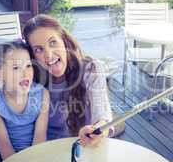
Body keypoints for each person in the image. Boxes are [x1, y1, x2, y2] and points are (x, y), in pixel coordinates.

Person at [23, 14, 113, 147]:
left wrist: (96, 131)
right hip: (45, 149)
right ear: (33, 56)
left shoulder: (91, 68)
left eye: (53, 43)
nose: (48, 54)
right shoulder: (31, 76)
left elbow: (102, 117)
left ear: (64, 41)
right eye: (38, 49)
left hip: (83, 146)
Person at [0, 40, 49, 160]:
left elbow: (40, 137)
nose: (25, 73)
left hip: (39, 155)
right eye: (16, 68)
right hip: (11, 160)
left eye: (28, 65)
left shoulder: (42, 94)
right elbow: (5, 146)